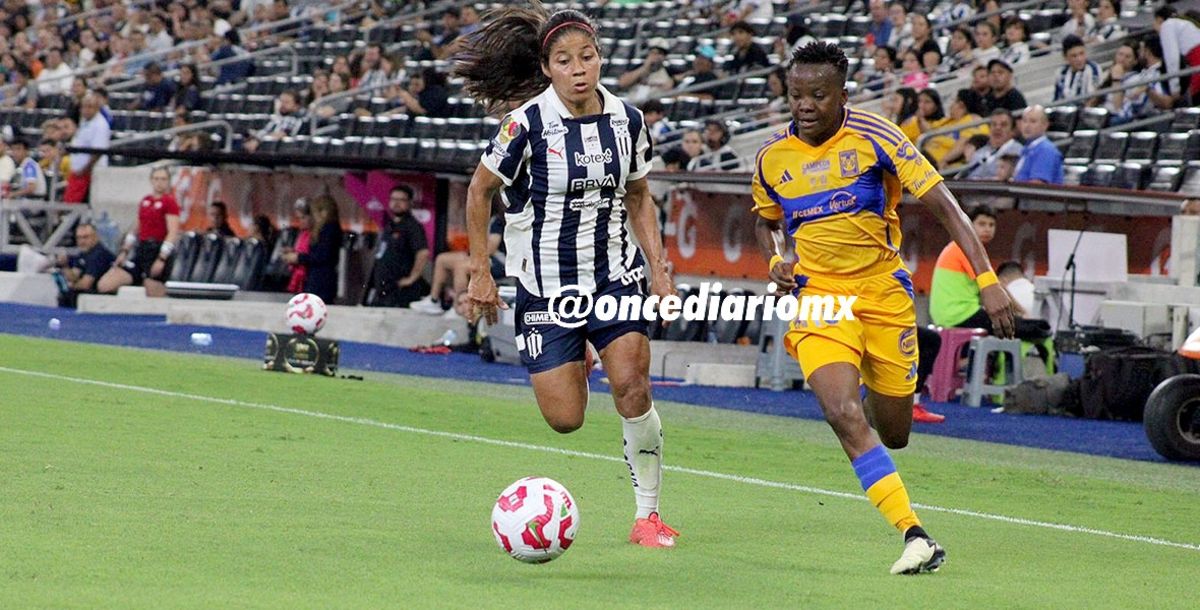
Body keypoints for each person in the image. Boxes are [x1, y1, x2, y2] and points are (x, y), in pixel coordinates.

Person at [751, 42, 1014, 575]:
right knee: (842, 413)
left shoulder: (878, 138)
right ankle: (914, 534)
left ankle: (870, 416)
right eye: (796, 94)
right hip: (820, 298)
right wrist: (775, 260)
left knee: (893, 431)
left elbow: (948, 208)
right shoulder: (772, 157)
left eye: (817, 95)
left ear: (843, 95)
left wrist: (988, 280)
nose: (804, 105)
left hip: (884, 297)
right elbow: (765, 220)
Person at [455, 3, 680, 548]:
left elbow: (639, 195)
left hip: (614, 277)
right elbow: (479, 191)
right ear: (547, 68)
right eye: (564, 60)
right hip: (546, 286)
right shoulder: (525, 124)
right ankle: (575, 351)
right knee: (565, 420)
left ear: (600, 59)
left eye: (588, 56)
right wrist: (480, 272)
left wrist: (659, 269)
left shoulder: (628, 120)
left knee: (632, 384)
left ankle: (647, 516)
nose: (579, 68)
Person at [97, 166, 181, 297]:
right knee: (106, 284)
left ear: (168, 181)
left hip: (156, 249)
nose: (159, 182)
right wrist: (125, 251)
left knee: (154, 292)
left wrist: (162, 258)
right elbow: (137, 227)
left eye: (163, 179)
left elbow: (173, 232)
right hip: (141, 249)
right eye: (156, 179)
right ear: (151, 180)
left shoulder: (169, 202)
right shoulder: (146, 201)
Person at [929, 205, 1000, 332]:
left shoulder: (959, 246)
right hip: (960, 313)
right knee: (1012, 324)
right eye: (982, 224)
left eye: (991, 225)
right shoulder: (967, 249)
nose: (987, 229)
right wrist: (1020, 311)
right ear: (969, 225)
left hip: (947, 315)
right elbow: (991, 288)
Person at [368, 185, 430, 308]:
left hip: (400, 291)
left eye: (401, 200)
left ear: (409, 203)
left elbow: (423, 253)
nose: (396, 203)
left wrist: (412, 278)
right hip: (383, 288)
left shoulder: (412, 226)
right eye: (393, 199)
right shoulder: (389, 225)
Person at [283, 195, 342, 304]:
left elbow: (322, 255)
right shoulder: (324, 229)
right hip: (315, 280)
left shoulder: (329, 229)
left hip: (322, 282)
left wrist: (298, 258)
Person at [55, 222, 115, 308]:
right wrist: (64, 266)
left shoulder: (98, 254)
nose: (82, 241)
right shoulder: (83, 253)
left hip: (102, 293)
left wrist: (70, 286)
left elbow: (85, 285)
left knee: (71, 294)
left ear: (95, 237)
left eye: (86, 237)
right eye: (79, 238)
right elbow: (74, 276)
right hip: (90, 291)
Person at [65, 94, 110, 204]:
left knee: (82, 207)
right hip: (78, 173)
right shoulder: (85, 121)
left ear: (97, 108)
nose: (85, 110)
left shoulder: (100, 125)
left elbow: (98, 152)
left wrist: (85, 170)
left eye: (90, 107)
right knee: (70, 204)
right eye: (83, 107)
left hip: (89, 174)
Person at [1155, 5, 1200, 101]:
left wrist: (1174, 88)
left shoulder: (1167, 25)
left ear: (1158, 20)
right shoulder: (1186, 23)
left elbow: (1172, 58)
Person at [1013, 105, 1063, 184]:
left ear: (1045, 125)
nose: (1027, 125)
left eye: (1033, 121)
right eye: (1025, 121)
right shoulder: (1027, 148)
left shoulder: (1046, 150)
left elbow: (1037, 186)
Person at [1053, 35, 1102, 102]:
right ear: (1065, 57)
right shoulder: (1061, 72)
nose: (1079, 59)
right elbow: (1057, 98)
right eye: (1074, 56)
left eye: (1081, 54)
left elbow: (1093, 97)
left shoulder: (1093, 68)